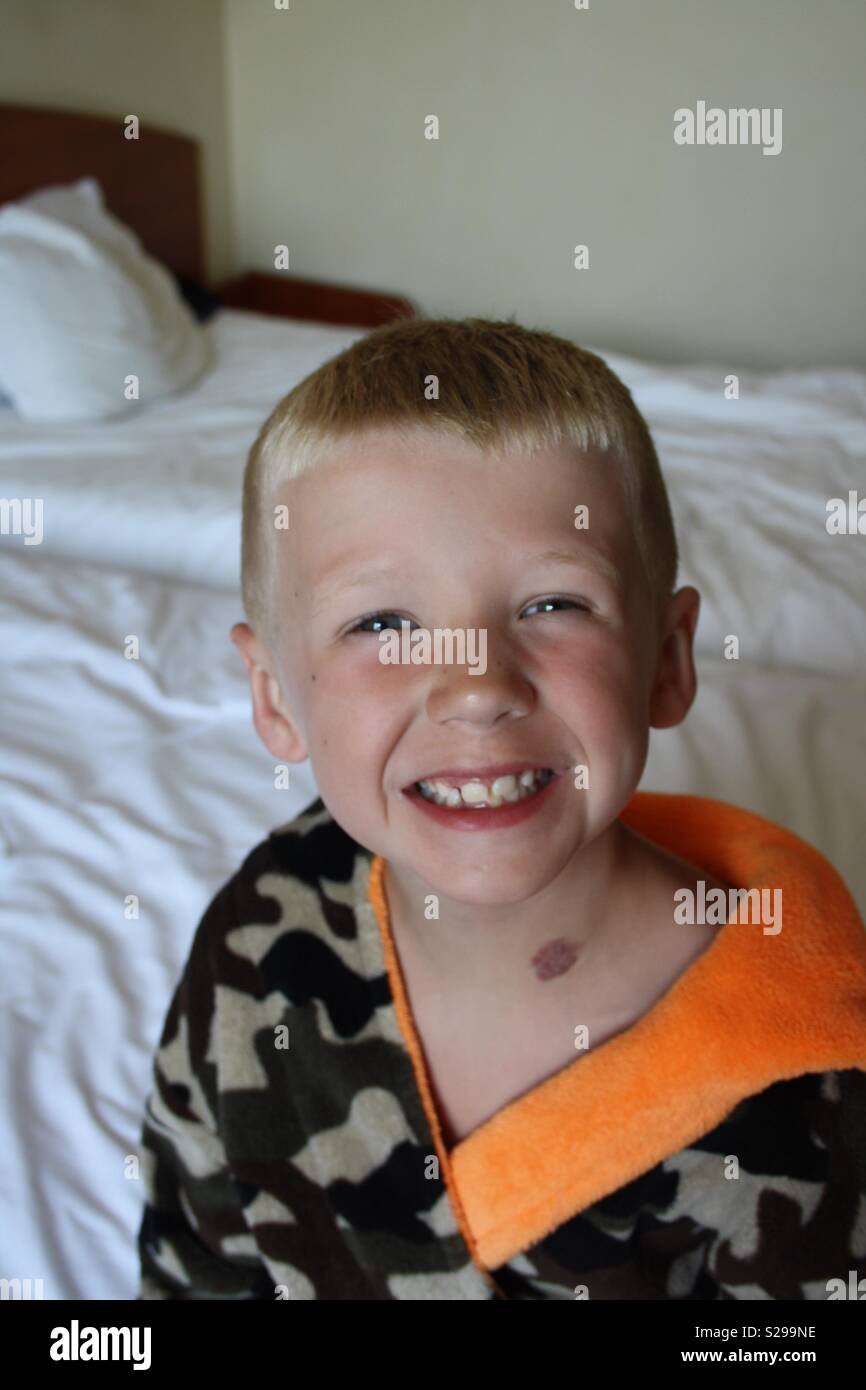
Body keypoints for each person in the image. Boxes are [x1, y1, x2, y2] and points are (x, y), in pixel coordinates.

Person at [136, 317, 866, 1300]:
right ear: (273, 697)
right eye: (382, 622)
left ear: (665, 658)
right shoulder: (263, 932)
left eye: (550, 604)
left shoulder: (795, 1094)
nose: (476, 685)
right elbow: (193, 1261)